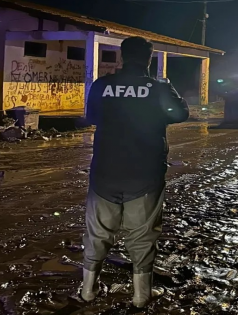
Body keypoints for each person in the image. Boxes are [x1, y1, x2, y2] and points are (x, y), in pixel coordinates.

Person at [81, 36, 189, 307]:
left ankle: (87, 291)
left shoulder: (102, 85)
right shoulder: (158, 87)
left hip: (105, 170)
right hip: (144, 171)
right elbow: (180, 114)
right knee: (142, 234)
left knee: (97, 233)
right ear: (149, 58)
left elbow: (91, 117)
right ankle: (141, 296)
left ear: (122, 56)